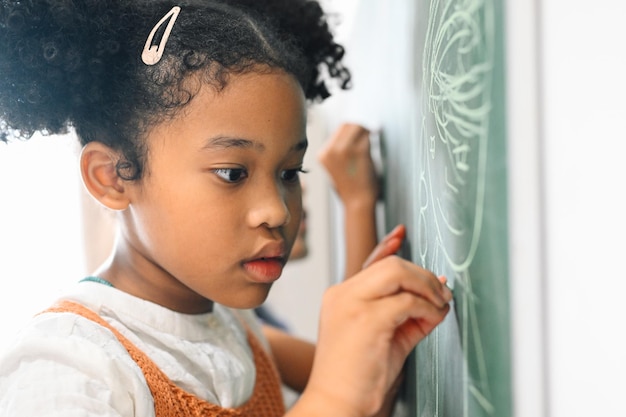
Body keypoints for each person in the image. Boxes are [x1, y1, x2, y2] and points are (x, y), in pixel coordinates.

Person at [0, 1, 452, 417]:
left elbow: (354, 387)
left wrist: (360, 216)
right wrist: (331, 398)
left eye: (290, 172)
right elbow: (331, 397)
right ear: (113, 176)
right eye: (233, 173)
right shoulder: (66, 368)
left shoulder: (235, 329)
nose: (276, 211)